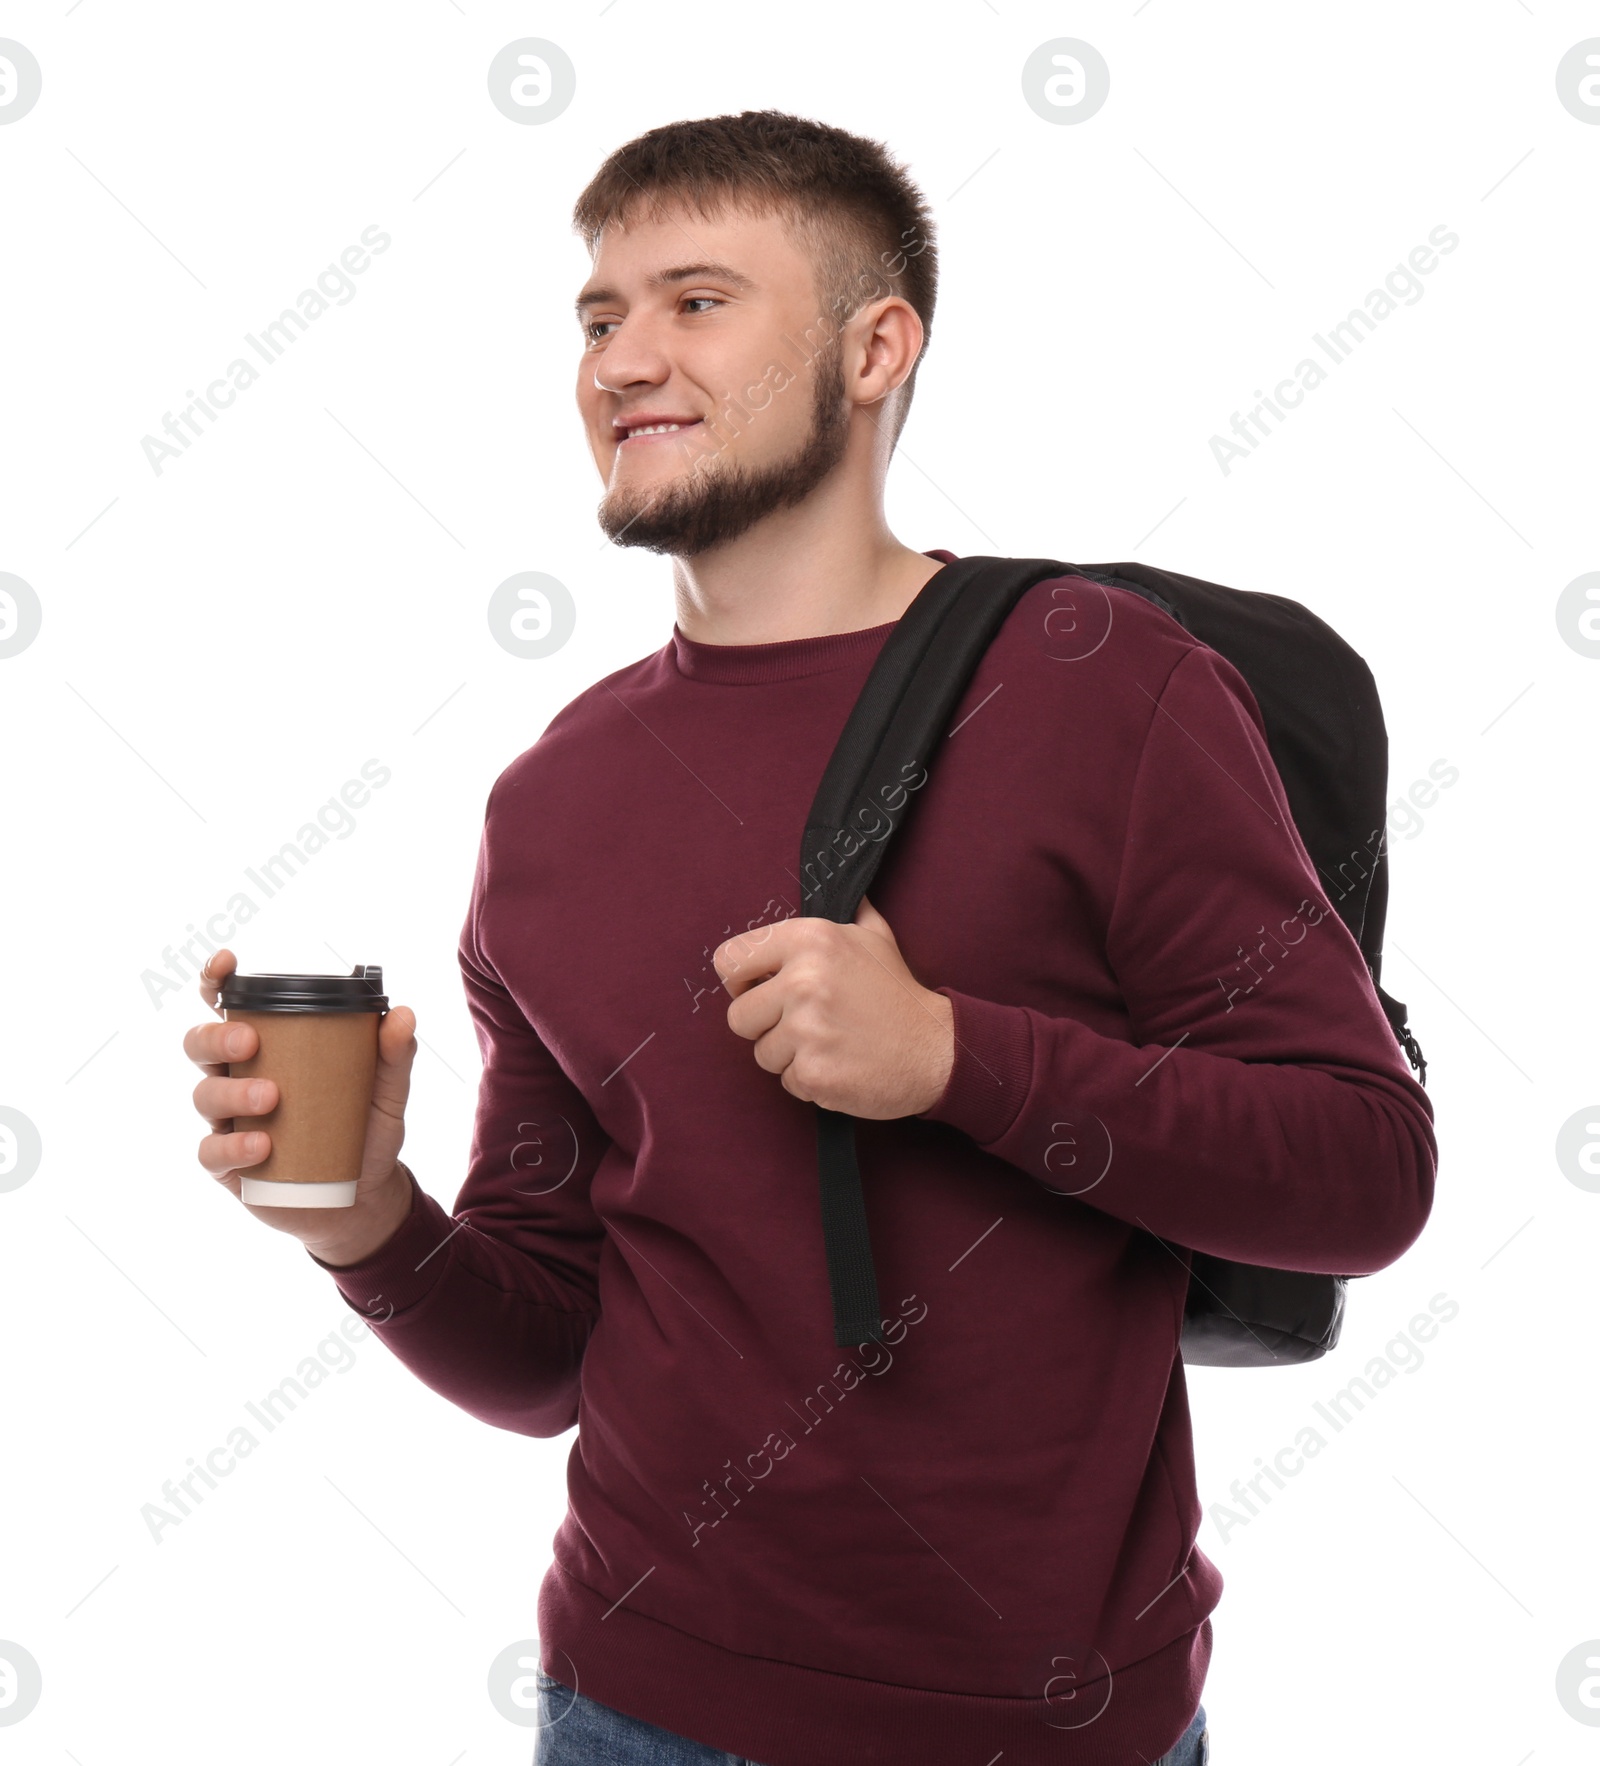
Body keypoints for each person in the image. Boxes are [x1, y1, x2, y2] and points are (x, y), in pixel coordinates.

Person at [185, 109, 1435, 1765]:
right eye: (599, 314)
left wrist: (955, 1059)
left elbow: (1365, 1170)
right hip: (631, 1704)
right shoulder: (550, 801)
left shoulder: (1103, 685)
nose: (625, 355)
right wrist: (365, 1223)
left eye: (697, 301)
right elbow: (553, 1341)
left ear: (874, 347)